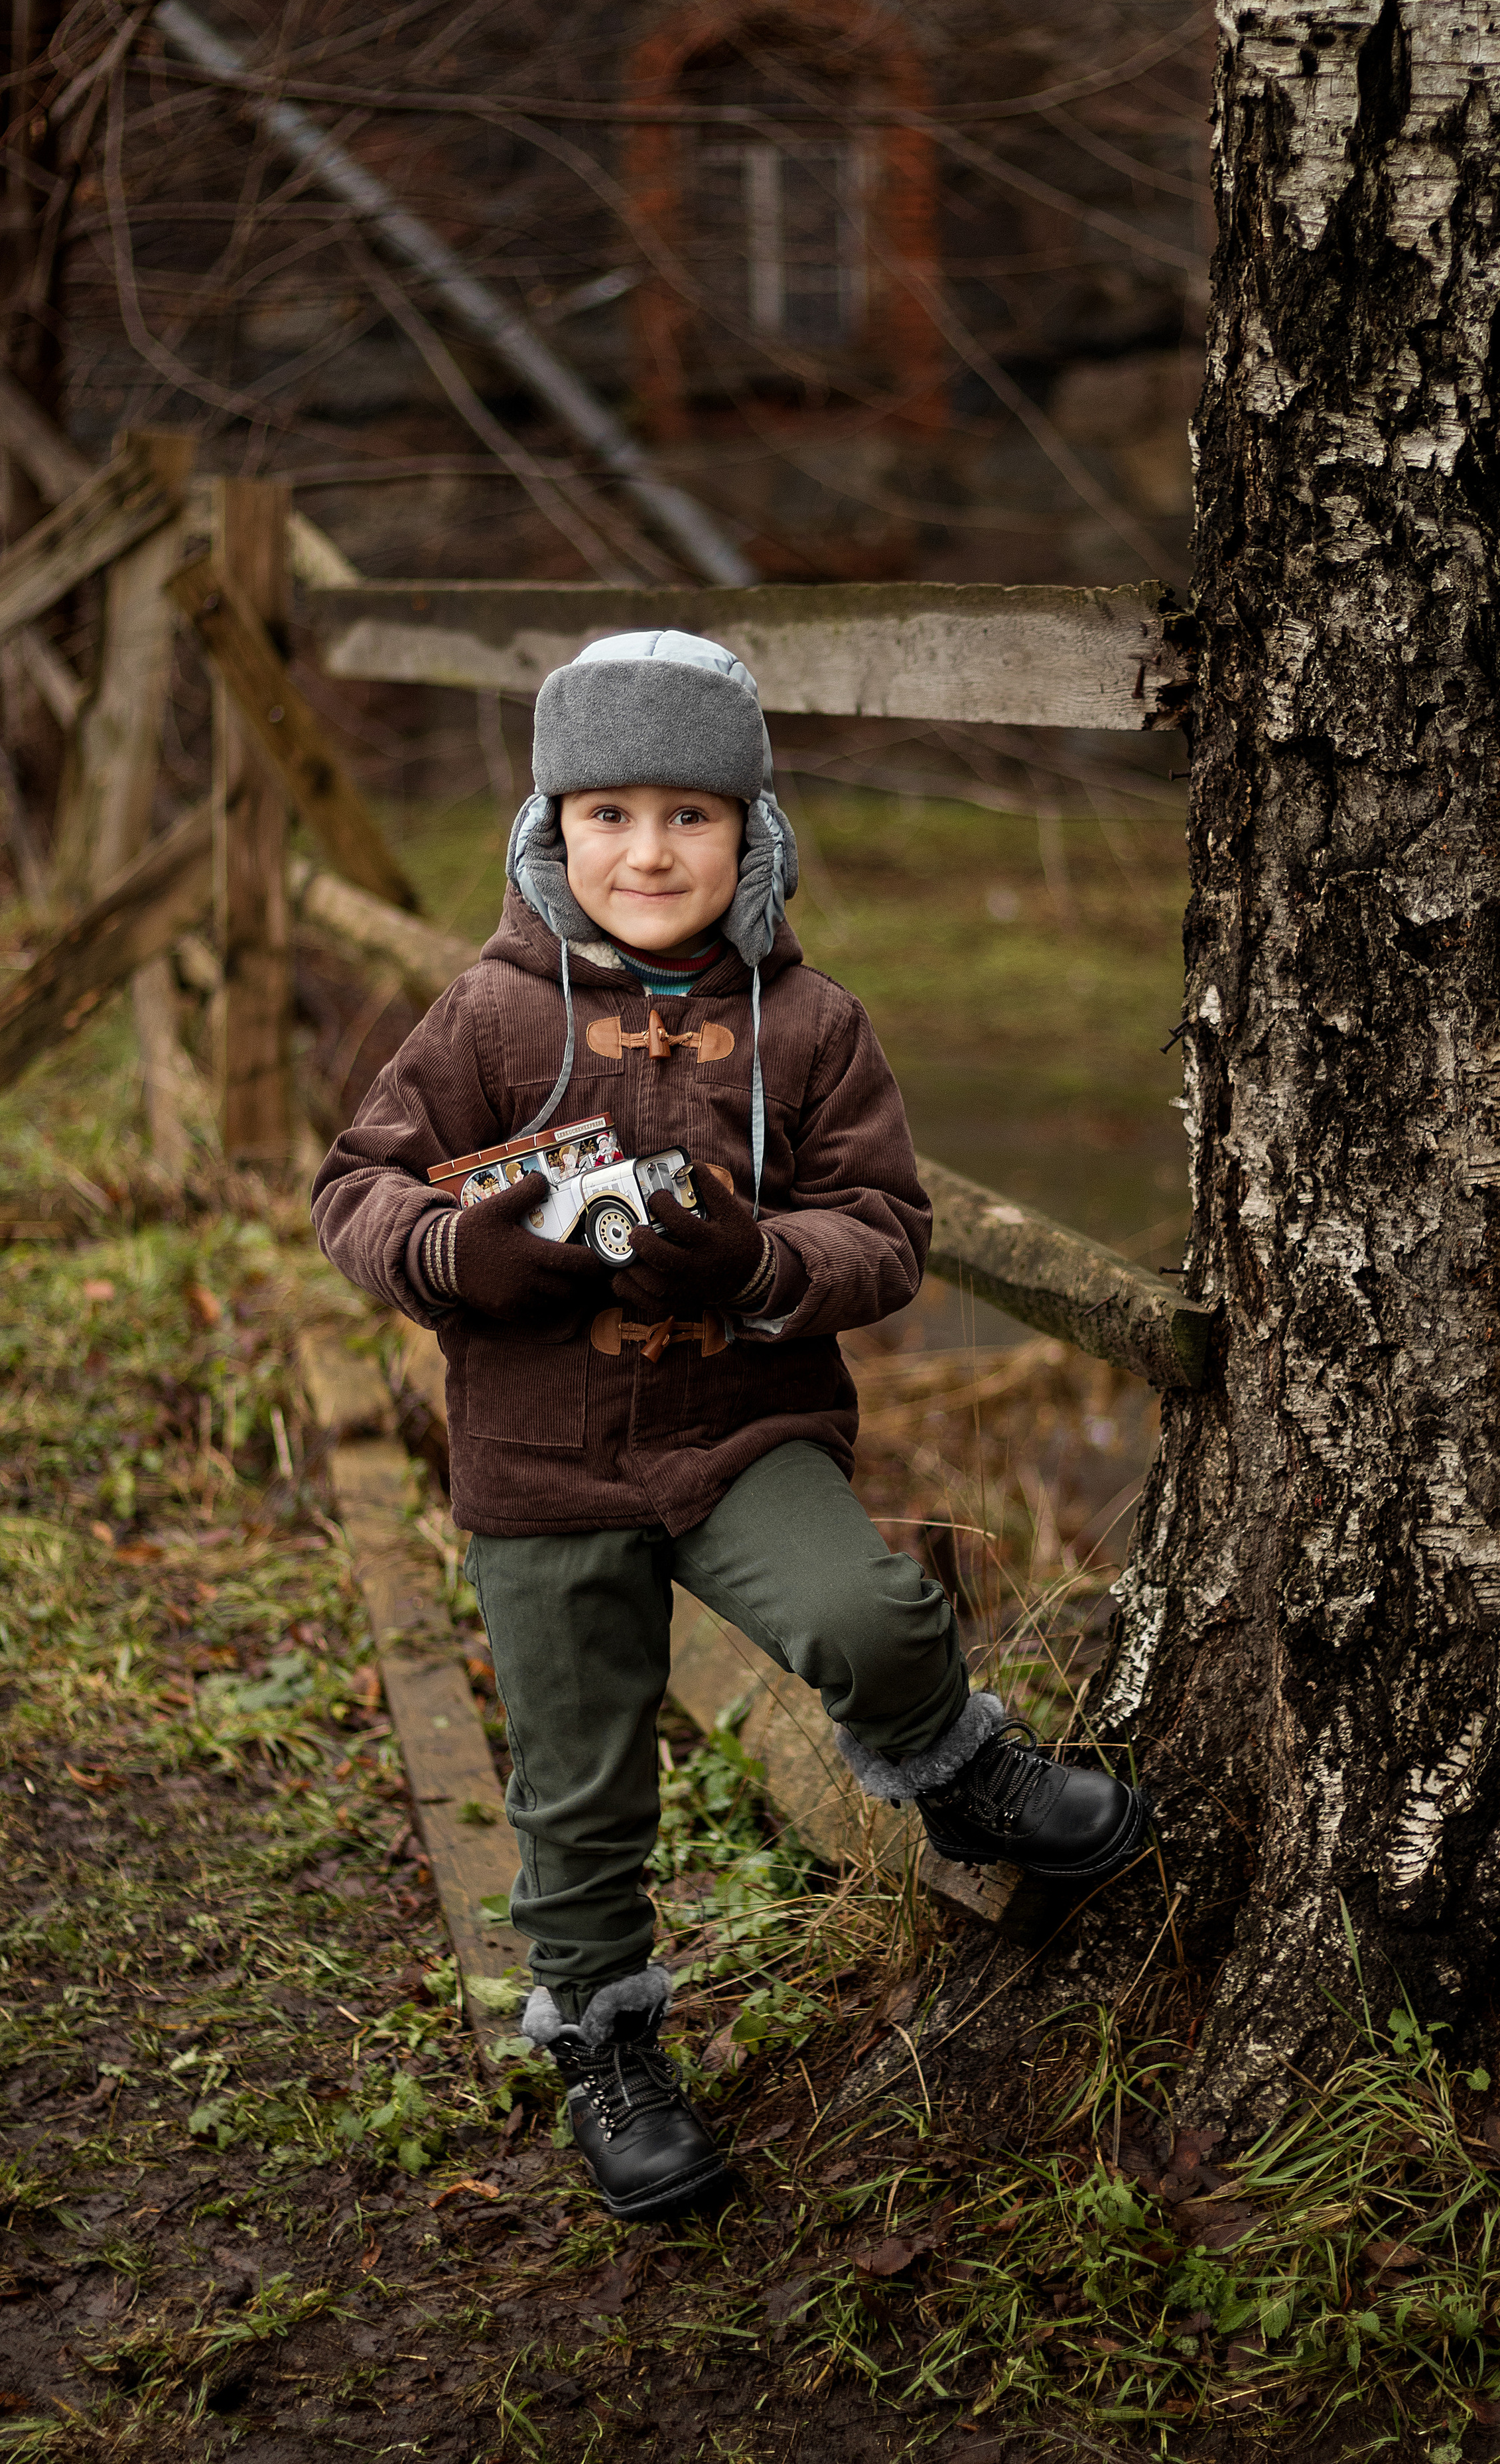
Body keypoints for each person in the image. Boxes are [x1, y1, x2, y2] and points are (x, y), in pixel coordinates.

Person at [312, 629, 1148, 2220]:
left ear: (751, 831)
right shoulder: (486, 1017)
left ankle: (955, 1769)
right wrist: (455, 1253)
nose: (647, 852)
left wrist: (761, 1262)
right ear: (548, 829)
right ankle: (607, 2049)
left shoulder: (811, 1025)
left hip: (740, 1429)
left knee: (870, 1614)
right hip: (540, 1461)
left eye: (688, 815)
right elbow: (355, 1188)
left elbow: (885, 1232)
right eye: (608, 814)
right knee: (576, 1780)